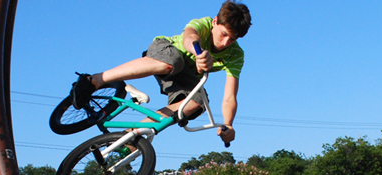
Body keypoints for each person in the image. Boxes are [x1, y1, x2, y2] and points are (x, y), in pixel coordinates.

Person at [71, 0, 251, 145]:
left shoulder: (236, 55)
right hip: (165, 52)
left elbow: (229, 96)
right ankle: (95, 80)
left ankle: (132, 135)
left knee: (197, 102)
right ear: (214, 22)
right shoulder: (203, 24)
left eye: (232, 39)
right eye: (223, 34)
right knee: (173, 62)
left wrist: (228, 125)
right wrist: (199, 53)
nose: (225, 42)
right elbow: (190, 37)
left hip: (184, 76)